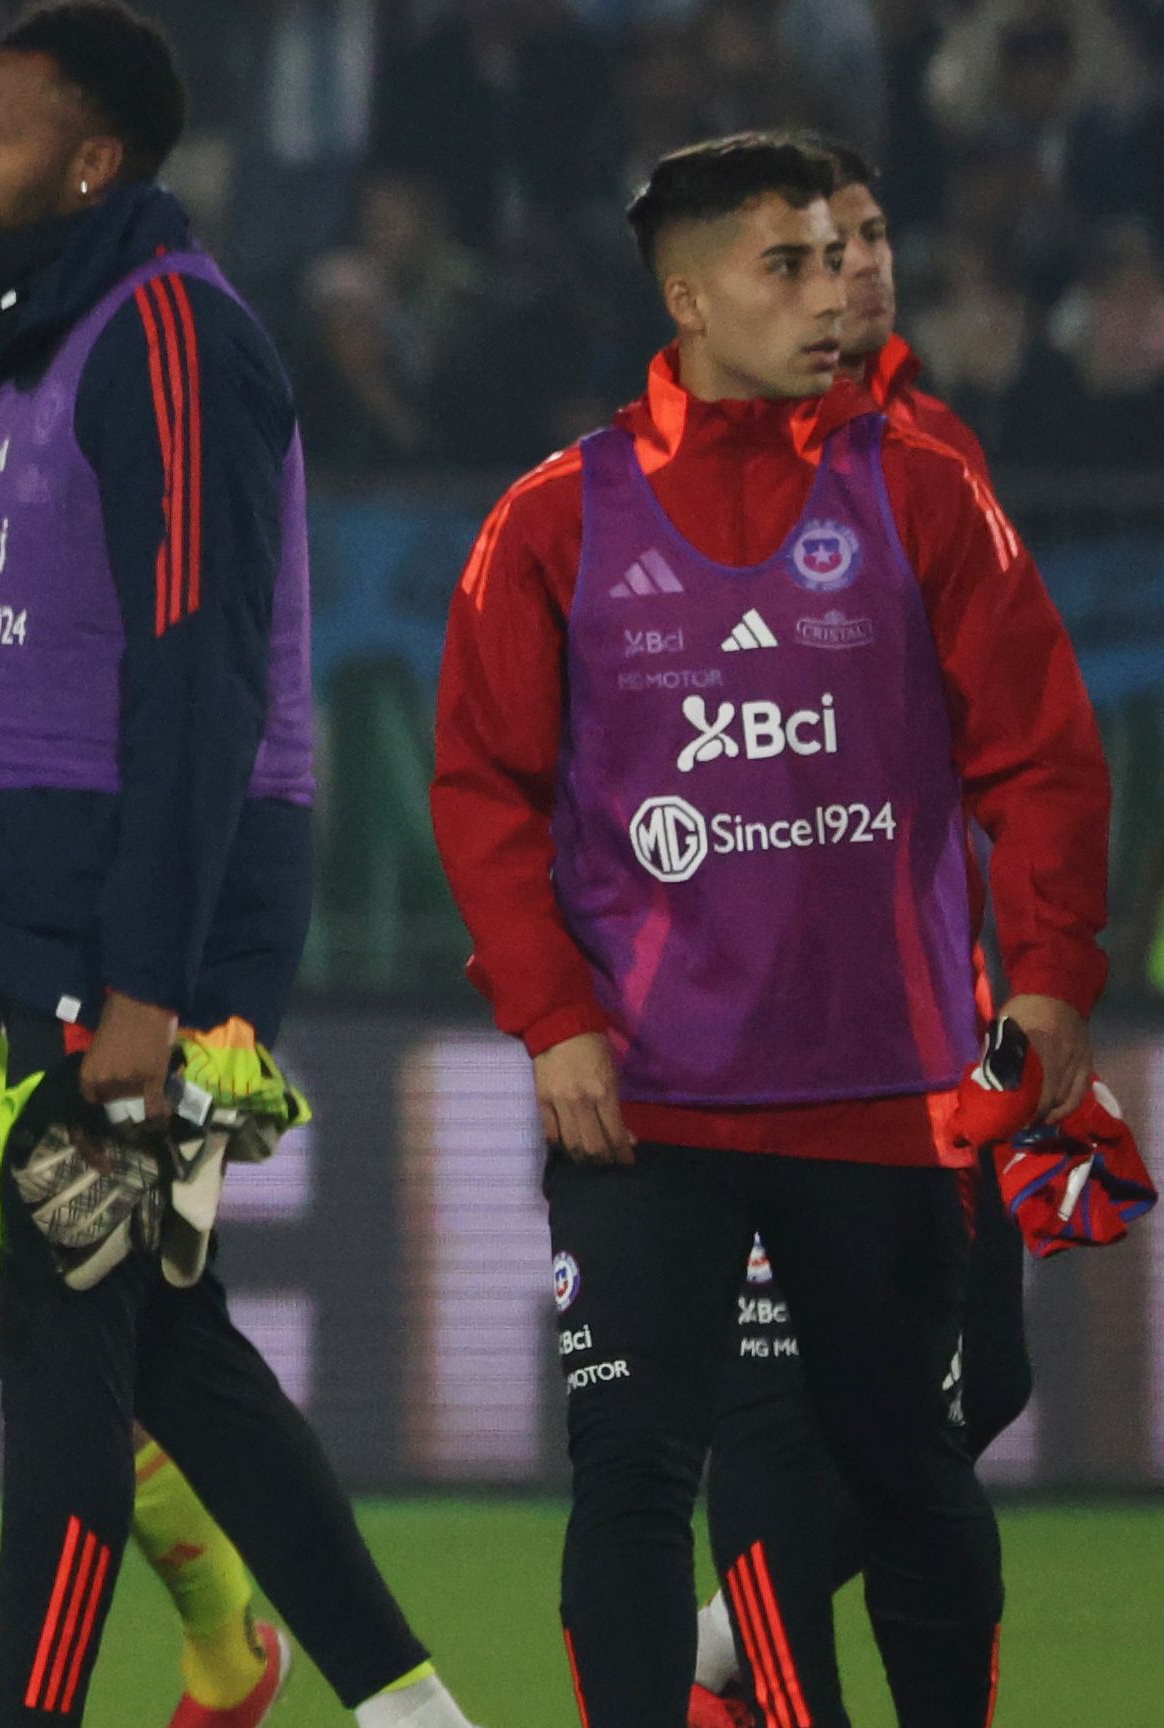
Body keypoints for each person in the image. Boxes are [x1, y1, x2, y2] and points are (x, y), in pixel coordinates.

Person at [431, 132, 1107, 1728]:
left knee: (909, 1471)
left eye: (839, 256)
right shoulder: (554, 519)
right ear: (688, 298)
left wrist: (1054, 974)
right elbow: (482, 788)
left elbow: (1042, 753)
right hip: (644, 1104)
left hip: (883, 1097)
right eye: (786, 264)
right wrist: (552, 1016)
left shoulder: (925, 488)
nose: (833, 291)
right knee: (630, 1475)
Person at [0, 7, 477, 1727]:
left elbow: (199, 674)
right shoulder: (56, 339)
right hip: (71, 908)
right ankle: (410, 1711)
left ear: (90, 162)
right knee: (171, 1344)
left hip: (139, 919)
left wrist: (147, 982)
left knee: (68, 1365)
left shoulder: (170, 336)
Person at [682, 134, 1038, 1728]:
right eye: (826, 249)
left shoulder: (931, 456)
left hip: (941, 1010)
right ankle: (744, 1673)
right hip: (773, 1030)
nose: (863, 267)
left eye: (877, 237)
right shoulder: (694, 473)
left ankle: (717, 1651)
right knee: (784, 1405)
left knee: (986, 1377)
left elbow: (1010, 734)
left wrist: (1034, 975)